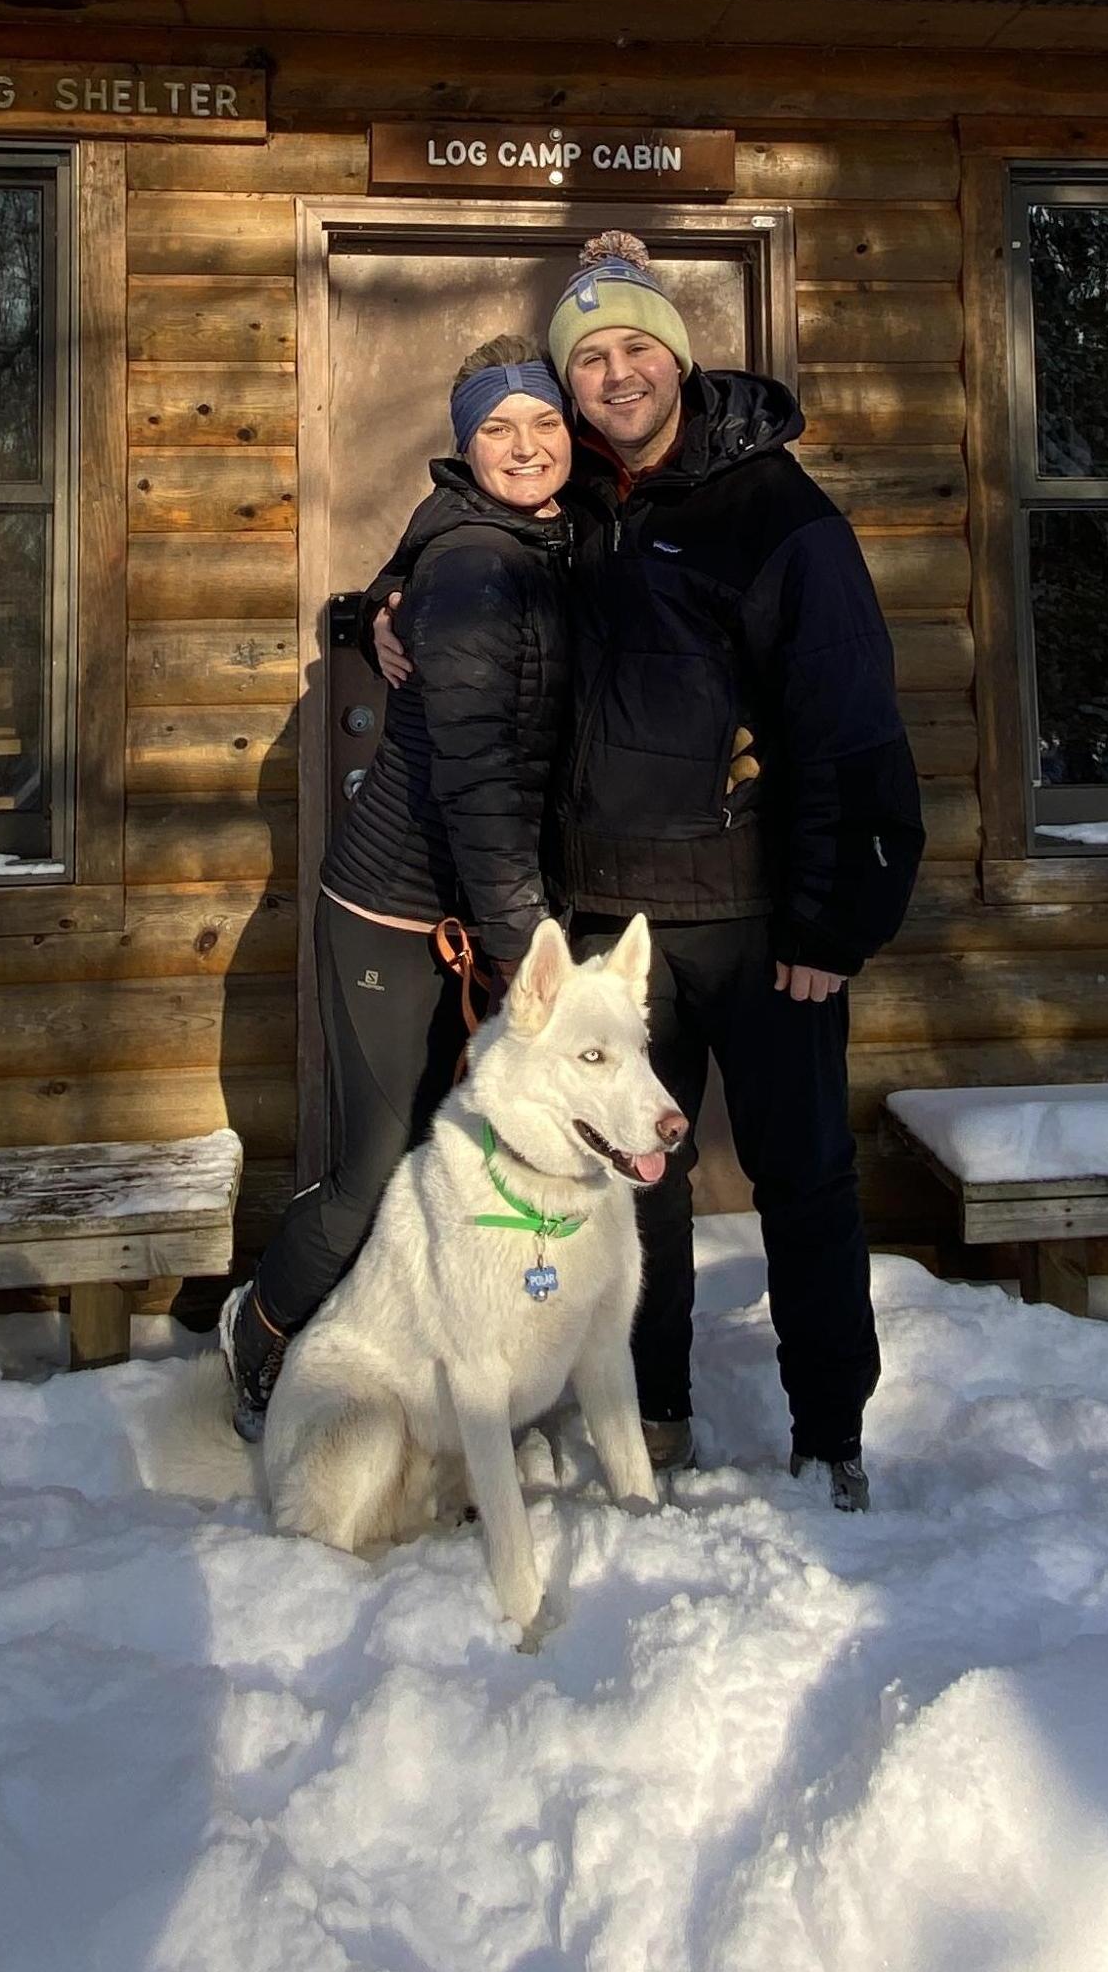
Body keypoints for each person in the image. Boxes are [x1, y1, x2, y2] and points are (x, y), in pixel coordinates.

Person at [541, 233, 921, 1510]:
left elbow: (847, 724)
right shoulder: (562, 505)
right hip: (611, 921)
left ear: (681, 361)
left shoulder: (779, 513)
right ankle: (651, 1412)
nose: (615, 373)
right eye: (589, 356)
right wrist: (380, 610)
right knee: (630, 1185)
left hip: (762, 925)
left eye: (637, 346)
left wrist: (830, 918)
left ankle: (831, 1433)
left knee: (802, 1177)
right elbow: (452, 561)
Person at [220, 334, 582, 1441]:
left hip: (476, 906)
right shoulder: (476, 563)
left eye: (544, 423)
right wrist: (526, 943)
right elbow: (474, 777)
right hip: (395, 909)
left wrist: (377, 601)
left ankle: (441, 1361)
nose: (525, 447)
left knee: (466, 1171)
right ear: (465, 451)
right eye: (497, 430)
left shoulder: (553, 540)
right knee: (377, 1174)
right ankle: (262, 1329)